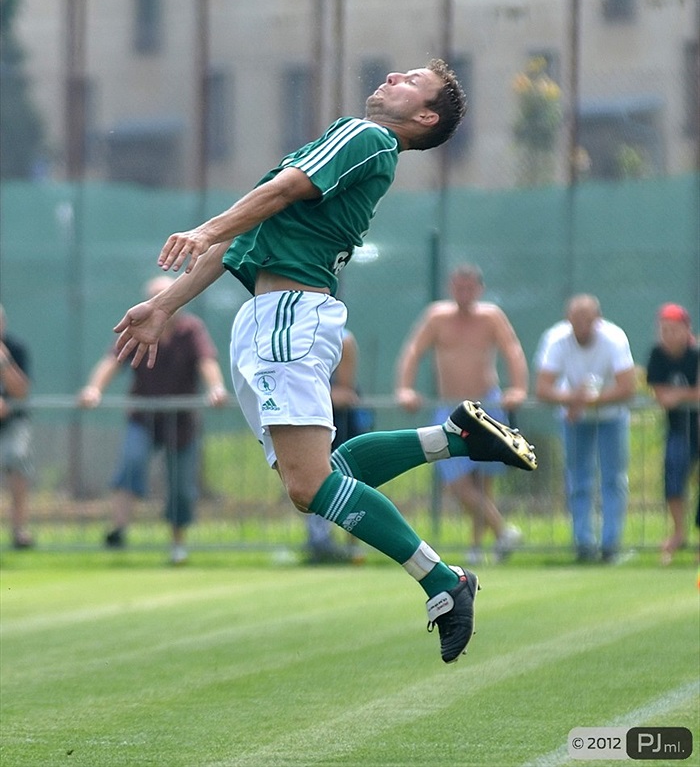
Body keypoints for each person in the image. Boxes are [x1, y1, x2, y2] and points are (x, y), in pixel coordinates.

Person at [112, 61, 537, 664]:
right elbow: (241, 237)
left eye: (413, 80)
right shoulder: (357, 142)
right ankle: (453, 438)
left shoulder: (367, 136)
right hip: (273, 316)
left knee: (312, 485)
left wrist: (204, 228)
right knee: (320, 479)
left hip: (290, 315)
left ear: (425, 117)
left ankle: (443, 580)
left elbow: (277, 194)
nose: (394, 73)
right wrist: (164, 306)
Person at [77, 277, 229, 564]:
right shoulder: (138, 328)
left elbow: (206, 361)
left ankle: (177, 546)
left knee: (181, 487)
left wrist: (216, 388)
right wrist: (94, 389)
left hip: (182, 422)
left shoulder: (191, 330)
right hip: (143, 418)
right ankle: (118, 530)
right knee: (131, 463)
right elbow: (112, 360)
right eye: (155, 298)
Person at [395, 264, 529, 564]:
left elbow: (512, 351)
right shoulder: (436, 317)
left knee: (484, 481)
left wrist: (518, 389)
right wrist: (405, 389)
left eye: (469, 287)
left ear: (480, 289)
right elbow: (413, 351)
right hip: (450, 406)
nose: (464, 293)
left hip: (487, 404)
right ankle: (503, 530)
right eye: (459, 287)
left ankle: (477, 547)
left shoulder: (491, 316)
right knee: (456, 481)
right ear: (450, 288)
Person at [535, 294, 636, 563]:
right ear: (567, 320)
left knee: (613, 480)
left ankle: (610, 546)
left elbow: (627, 387)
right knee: (578, 480)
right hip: (574, 420)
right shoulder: (555, 339)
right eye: (575, 320)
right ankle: (583, 545)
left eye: (587, 320)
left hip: (611, 417)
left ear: (597, 319)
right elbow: (543, 388)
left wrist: (589, 400)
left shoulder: (614, 338)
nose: (581, 326)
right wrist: (573, 399)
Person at [304, 328, 372, 564]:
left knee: (350, 481)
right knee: (311, 483)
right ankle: (320, 544)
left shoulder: (344, 340)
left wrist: (311, 396)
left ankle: (352, 548)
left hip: (342, 424)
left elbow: (344, 392)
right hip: (311, 424)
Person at [645, 303, 699, 565]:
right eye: (664, 330)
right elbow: (660, 394)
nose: (668, 335)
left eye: (674, 329)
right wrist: (684, 396)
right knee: (673, 476)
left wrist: (678, 395)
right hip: (678, 428)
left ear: (687, 329)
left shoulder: (696, 353)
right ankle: (679, 533)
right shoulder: (657, 355)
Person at [0, 305, 34, 549]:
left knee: (17, 457)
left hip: (13, 421)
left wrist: (4, 363)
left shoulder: (16, 348)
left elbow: (21, 392)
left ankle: (19, 529)